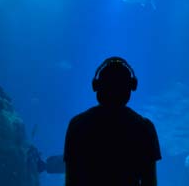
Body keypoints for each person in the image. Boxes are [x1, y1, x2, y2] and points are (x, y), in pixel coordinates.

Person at [64, 56, 161, 185]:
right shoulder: (144, 127)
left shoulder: (77, 125)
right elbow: (150, 182)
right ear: (130, 88)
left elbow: (71, 180)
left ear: (97, 86)